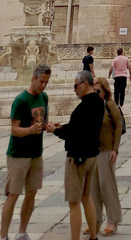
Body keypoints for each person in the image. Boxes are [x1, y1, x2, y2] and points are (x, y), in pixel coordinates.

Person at [48, 71, 106, 240]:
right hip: (92, 155)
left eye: (76, 86)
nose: (74, 90)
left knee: (74, 202)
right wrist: (62, 127)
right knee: (86, 197)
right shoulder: (97, 102)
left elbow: (74, 132)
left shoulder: (84, 106)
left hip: (78, 158)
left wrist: (55, 130)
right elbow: (81, 127)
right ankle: (93, 237)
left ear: (85, 84)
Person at [0, 64, 52, 240]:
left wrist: (49, 127)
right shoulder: (21, 100)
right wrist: (29, 130)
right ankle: (3, 236)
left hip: (36, 153)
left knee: (32, 192)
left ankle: (22, 232)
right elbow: (14, 129)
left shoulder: (44, 97)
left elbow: (42, 122)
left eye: (46, 82)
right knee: (13, 194)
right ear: (33, 78)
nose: (43, 85)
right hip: (19, 154)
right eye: (41, 81)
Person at [91, 78, 123, 236]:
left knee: (107, 185)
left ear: (105, 90)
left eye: (99, 91)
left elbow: (118, 126)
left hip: (107, 150)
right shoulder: (93, 106)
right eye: (94, 90)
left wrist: (115, 149)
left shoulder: (110, 105)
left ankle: (113, 220)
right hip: (93, 151)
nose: (96, 93)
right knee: (93, 187)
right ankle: (95, 220)